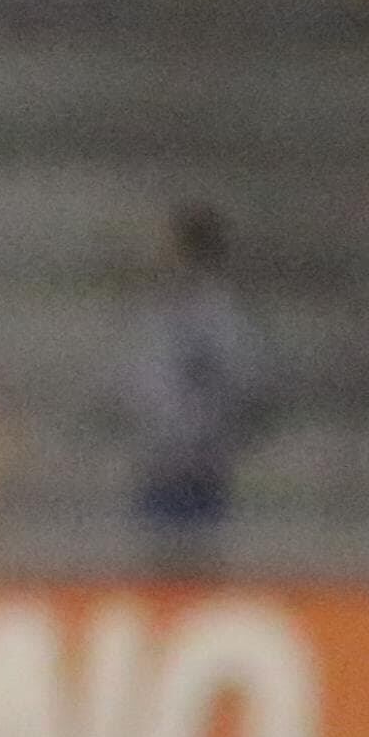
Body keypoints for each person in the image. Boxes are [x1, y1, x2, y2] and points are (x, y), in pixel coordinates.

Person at [122, 198, 274, 573]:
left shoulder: (216, 314)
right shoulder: (162, 309)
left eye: (166, 243)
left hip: (196, 463)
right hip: (161, 459)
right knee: (155, 565)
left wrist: (206, 433)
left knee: (195, 564)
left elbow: (243, 379)